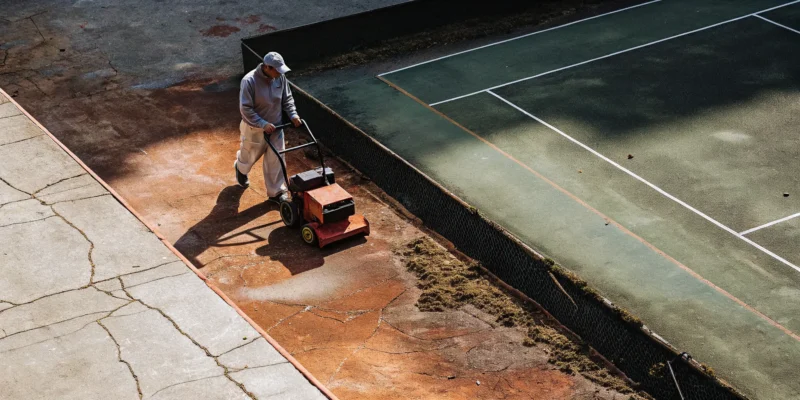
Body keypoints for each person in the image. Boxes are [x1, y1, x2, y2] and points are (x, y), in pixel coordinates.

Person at [234, 51, 301, 203]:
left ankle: (276, 192)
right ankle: (240, 168)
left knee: (276, 159)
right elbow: (245, 109)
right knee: (248, 157)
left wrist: (293, 115)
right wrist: (262, 123)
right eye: (277, 70)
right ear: (267, 67)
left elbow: (287, 99)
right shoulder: (249, 81)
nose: (279, 73)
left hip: (276, 127)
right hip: (254, 128)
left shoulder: (280, 78)